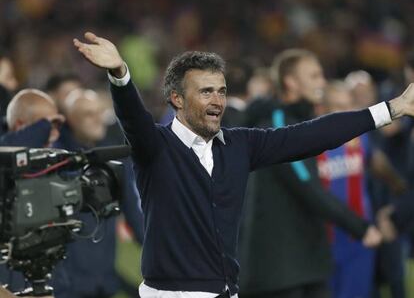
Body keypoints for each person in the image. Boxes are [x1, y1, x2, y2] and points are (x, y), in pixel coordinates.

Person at [73, 31, 414, 298]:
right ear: (176, 99)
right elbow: (133, 119)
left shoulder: (240, 144)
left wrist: (392, 108)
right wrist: (120, 74)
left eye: (221, 91)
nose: (217, 100)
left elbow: (312, 135)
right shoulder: (157, 147)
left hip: (227, 290)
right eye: (206, 91)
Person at [238, 49, 380, 298]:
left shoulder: (296, 120)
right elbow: (307, 186)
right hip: (280, 272)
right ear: (291, 82)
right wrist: (360, 227)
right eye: (314, 76)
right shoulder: (278, 125)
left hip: (304, 264)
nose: (322, 82)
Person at [50, 89, 144, 298]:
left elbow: (133, 211)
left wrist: (158, 249)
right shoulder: (55, 158)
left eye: (99, 112)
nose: (97, 120)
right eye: (88, 114)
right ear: (69, 120)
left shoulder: (112, 157)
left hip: (103, 278)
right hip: (67, 281)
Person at [317, 81, 406, 298]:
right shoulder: (309, 144)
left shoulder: (359, 138)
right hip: (322, 242)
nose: (346, 112)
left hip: (359, 241)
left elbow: (380, 166)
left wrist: (399, 194)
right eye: (339, 106)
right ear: (321, 110)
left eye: (349, 105)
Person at [0, 89, 64, 293]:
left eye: (56, 126)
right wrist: (42, 127)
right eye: (48, 124)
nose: (54, 133)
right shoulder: (6, 152)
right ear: (20, 126)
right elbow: (8, 149)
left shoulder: (49, 166)